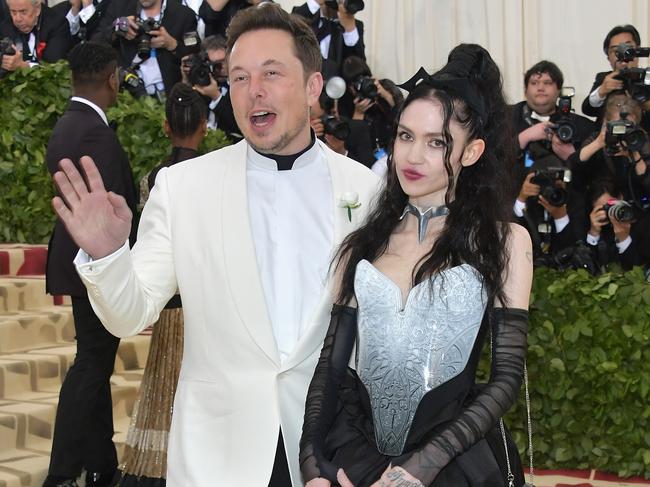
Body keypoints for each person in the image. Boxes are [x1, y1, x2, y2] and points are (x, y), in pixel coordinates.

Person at [49, 4, 379, 486]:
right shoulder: (183, 188)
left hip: (333, 455)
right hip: (218, 458)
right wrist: (108, 255)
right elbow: (129, 312)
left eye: (271, 73)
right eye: (240, 78)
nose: (253, 91)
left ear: (313, 86)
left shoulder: (369, 193)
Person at [300, 44, 533, 487]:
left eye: (436, 142)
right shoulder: (361, 244)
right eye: (405, 136)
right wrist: (311, 464)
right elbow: (330, 369)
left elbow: (505, 380)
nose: (413, 156)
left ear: (471, 151)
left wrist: (421, 467)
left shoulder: (506, 243)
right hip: (357, 454)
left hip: (453, 461)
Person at [43, 42, 138, 487]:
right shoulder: (96, 133)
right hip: (94, 266)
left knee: (96, 364)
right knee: (91, 365)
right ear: (110, 77)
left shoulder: (67, 124)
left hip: (79, 263)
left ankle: (102, 466)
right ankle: (62, 472)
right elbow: (114, 206)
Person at [117, 83, 207, 486]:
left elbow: (149, 246)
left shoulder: (153, 179)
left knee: (160, 388)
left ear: (167, 127)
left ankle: (153, 471)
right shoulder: (214, 176)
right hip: (204, 306)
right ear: (204, 127)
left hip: (167, 304)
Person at [510, 60, 594, 262]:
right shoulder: (507, 117)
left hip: (567, 207)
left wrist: (570, 155)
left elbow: (593, 172)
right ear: (525, 90)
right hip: (515, 204)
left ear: (558, 90)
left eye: (547, 82)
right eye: (534, 82)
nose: (540, 87)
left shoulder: (577, 125)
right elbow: (490, 158)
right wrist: (525, 137)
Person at [97, 0, 197, 98]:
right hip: (126, 93)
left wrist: (172, 44)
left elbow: (194, 53)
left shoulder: (184, 15)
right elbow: (95, 44)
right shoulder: (119, 8)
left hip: (170, 96)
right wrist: (116, 29)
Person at [581, 24, 641, 123]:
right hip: (608, 135)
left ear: (638, 51)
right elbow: (588, 109)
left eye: (628, 49)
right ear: (609, 58)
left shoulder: (647, 77)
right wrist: (602, 91)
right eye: (616, 51)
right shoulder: (605, 78)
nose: (623, 55)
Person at [0, 0, 71, 73]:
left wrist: (24, 66)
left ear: (37, 9)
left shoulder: (57, 24)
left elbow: (54, 67)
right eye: (13, 12)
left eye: (23, 12)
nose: (18, 19)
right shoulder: (6, 26)